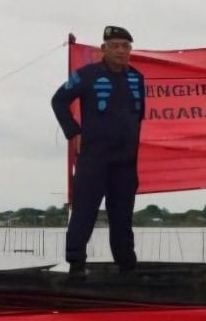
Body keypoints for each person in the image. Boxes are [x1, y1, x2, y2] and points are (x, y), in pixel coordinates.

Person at [52, 25, 145, 278]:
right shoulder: (86, 75)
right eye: (114, 46)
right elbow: (58, 100)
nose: (120, 51)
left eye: (125, 46)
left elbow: (138, 116)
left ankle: (127, 268)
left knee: (123, 218)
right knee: (84, 213)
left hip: (125, 162)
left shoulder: (137, 77)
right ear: (103, 49)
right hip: (94, 158)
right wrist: (73, 132)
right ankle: (76, 266)